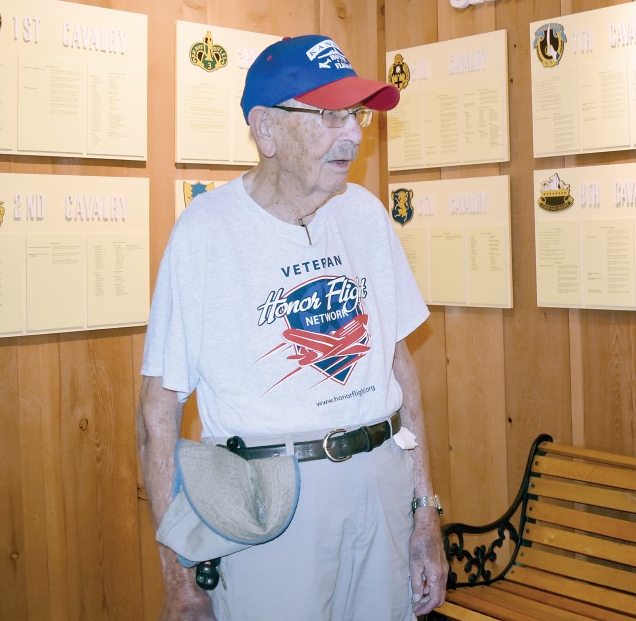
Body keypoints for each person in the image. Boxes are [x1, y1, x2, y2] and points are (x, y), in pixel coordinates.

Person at [137, 34, 447, 621]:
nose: (353, 133)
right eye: (330, 115)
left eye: (355, 114)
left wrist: (425, 511)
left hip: (382, 485)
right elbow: (158, 412)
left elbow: (400, 368)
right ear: (266, 130)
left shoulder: (366, 214)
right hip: (269, 506)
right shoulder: (205, 232)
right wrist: (180, 578)